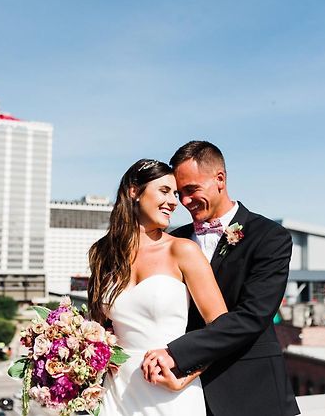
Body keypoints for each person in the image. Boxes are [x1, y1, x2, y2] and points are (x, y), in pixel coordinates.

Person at [142, 141, 300, 416]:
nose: (185, 202)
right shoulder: (174, 240)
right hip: (177, 395)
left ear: (220, 179)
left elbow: (253, 316)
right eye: (180, 194)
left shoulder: (270, 237)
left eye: (191, 190)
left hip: (250, 392)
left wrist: (178, 354)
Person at [88, 158, 228, 416]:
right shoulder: (102, 253)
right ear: (134, 191)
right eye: (164, 191)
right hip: (114, 393)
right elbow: (96, 327)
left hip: (169, 390)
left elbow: (222, 329)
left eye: (175, 193)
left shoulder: (182, 250)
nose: (175, 201)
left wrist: (185, 376)